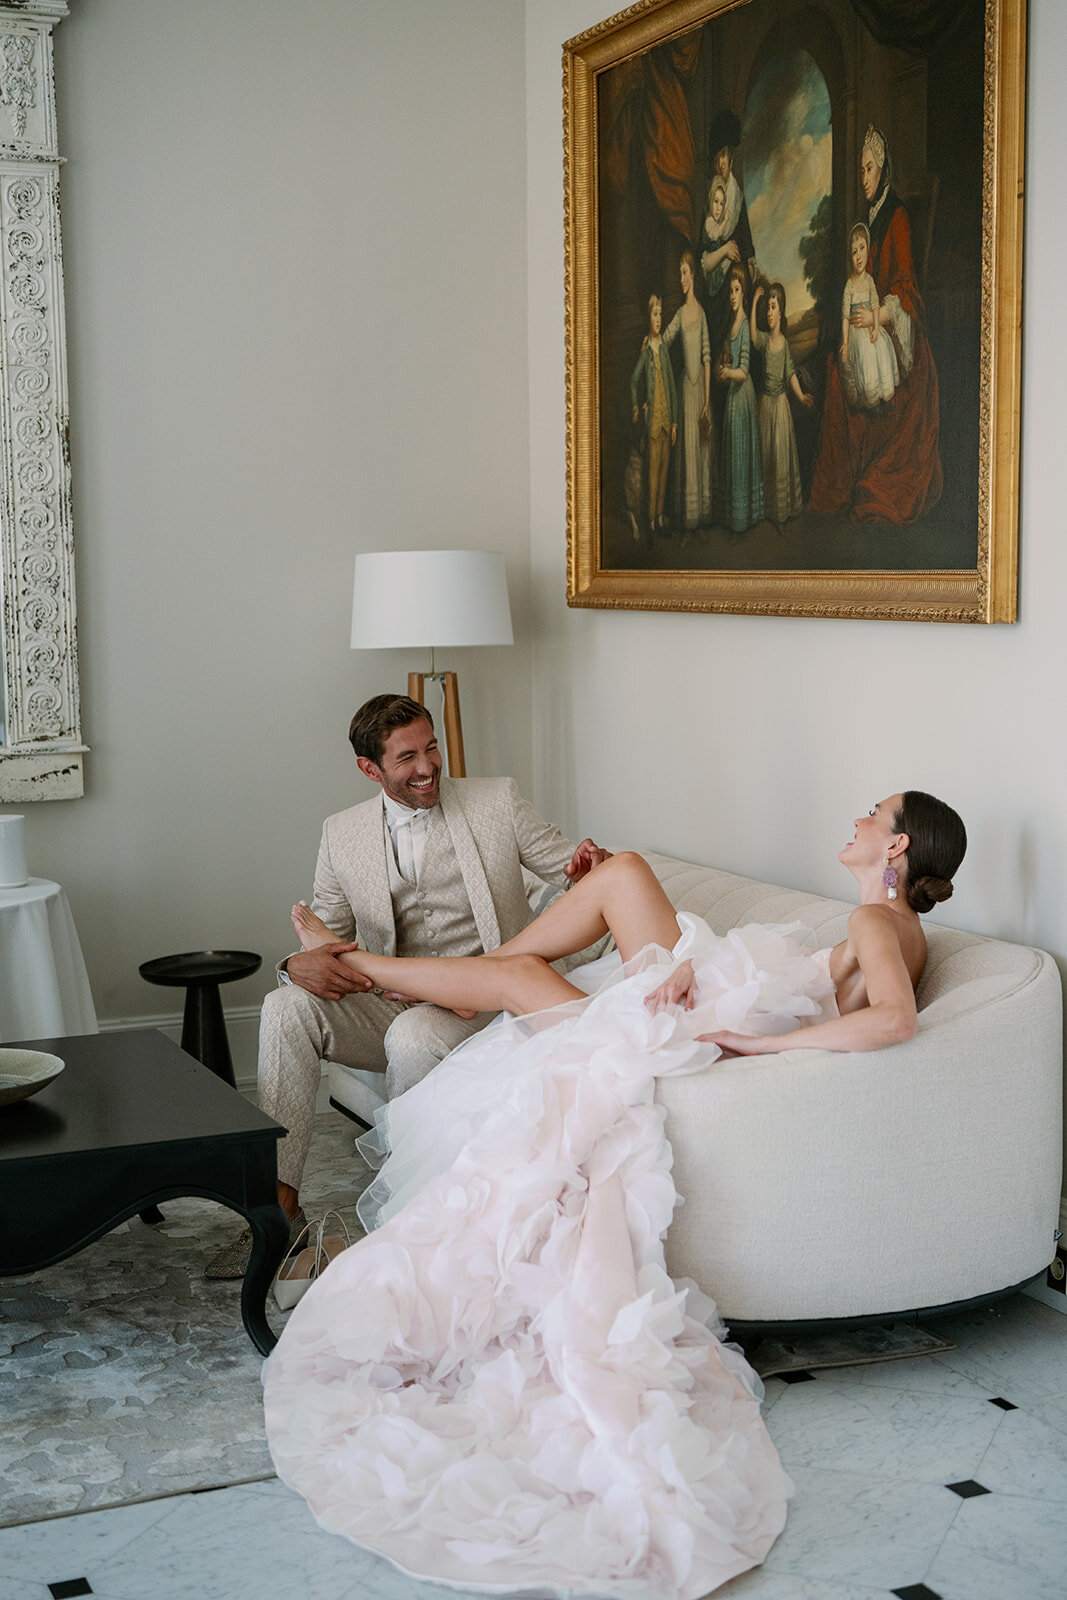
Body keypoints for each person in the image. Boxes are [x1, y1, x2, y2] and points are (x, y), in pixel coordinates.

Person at [263, 791, 966, 1598]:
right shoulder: (885, 923)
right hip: (712, 1010)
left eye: (872, 814)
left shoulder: (879, 924)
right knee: (606, 888)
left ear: (898, 844)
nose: (856, 819)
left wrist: (751, 1040)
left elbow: (892, 1023)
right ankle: (429, 982)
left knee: (547, 952)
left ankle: (357, 968)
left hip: (707, 1037)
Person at [206, 693, 610, 1279]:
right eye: (407, 758)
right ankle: (278, 1212)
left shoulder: (495, 801)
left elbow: (580, 870)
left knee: (416, 1036)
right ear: (371, 769)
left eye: (432, 748)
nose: (428, 767)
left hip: (483, 998)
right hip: (388, 998)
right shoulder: (341, 833)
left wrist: (588, 867)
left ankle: (410, 1219)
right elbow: (329, 937)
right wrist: (298, 967)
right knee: (283, 1008)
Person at [810, 125, 942, 523]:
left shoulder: (897, 216)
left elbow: (906, 291)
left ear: (881, 170)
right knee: (836, 367)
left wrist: (876, 316)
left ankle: (870, 480)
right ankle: (841, 482)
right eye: (861, 170)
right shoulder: (865, 220)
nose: (863, 178)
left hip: (896, 327)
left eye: (868, 170)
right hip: (868, 325)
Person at [750, 281, 814, 525]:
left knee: (779, 457)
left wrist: (800, 396)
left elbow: (790, 374)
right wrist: (755, 301)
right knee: (766, 456)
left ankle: (780, 512)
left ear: (781, 311)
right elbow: (753, 336)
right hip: (765, 405)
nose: (769, 312)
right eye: (767, 307)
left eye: (773, 307)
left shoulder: (784, 344)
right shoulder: (765, 341)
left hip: (780, 407)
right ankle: (767, 511)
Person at [661, 251, 713, 532]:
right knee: (688, 454)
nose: (681, 278)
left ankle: (701, 521)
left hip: (699, 394)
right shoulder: (680, 314)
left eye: (684, 272)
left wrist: (706, 399)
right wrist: (651, 340)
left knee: (702, 454)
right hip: (684, 390)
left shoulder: (701, 313)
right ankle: (688, 523)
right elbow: (666, 338)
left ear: (693, 275)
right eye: (679, 272)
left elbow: (707, 357)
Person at [714, 265, 764, 535]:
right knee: (734, 452)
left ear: (743, 294)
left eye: (736, 290)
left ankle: (744, 519)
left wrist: (727, 373)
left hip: (742, 398)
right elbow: (728, 363)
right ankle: (734, 517)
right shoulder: (730, 325)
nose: (732, 296)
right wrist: (721, 373)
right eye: (730, 291)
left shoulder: (744, 324)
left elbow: (743, 371)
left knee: (741, 453)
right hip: (732, 397)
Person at [629, 292, 678, 538]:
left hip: (667, 420)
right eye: (655, 314)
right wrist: (637, 407)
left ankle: (659, 518)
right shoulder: (646, 349)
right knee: (652, 473)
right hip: (653, 423)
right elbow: (633, 380)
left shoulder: (664, 350)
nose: (659, 319)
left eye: (660, 314)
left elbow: (670, 385)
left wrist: (676, 422)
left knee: (664, 471)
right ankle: (649, 520)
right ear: (648, 318)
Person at [839, 221, 899, 410]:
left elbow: (875, 305)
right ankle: (872, 402)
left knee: (881, 348)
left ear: (868, 251)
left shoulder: (870, 280)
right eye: (854, 252)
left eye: (862, 249)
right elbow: (845, 316)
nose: (858, 256)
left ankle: (884, 396)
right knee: (866, 354)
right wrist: (846, 343)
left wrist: (875, 327)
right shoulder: (850, 284)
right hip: (855, 330)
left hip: (870, 326)